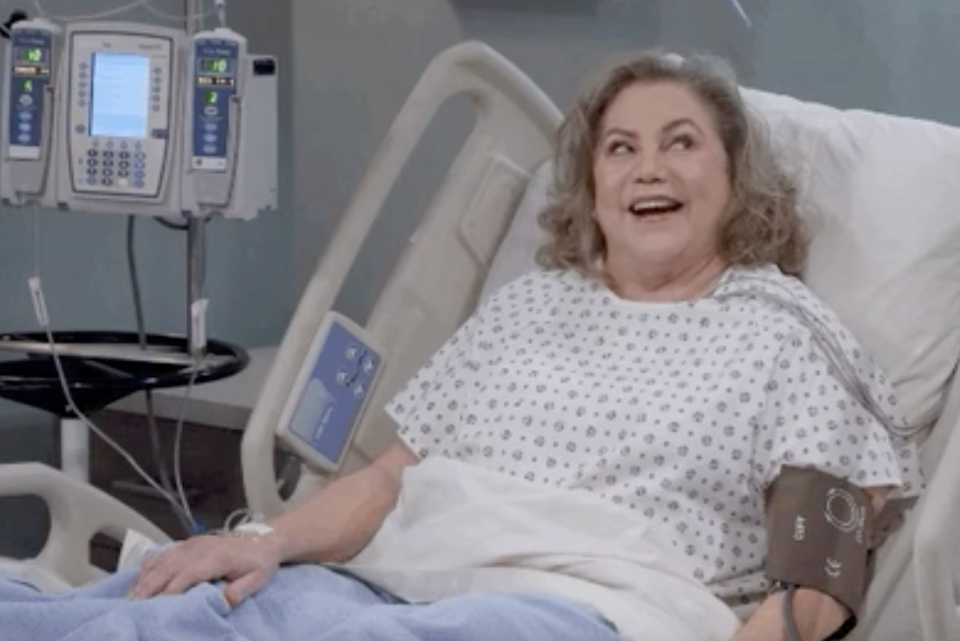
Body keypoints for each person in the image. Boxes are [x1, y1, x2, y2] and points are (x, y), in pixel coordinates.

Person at [129, 51, 923, 641]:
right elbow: (384, 481)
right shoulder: (529, 306)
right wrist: (260, 540)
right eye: (620, 148)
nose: (649, 168)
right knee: (154, 612)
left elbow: (811, 592)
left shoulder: (783, 333)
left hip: (582, 610)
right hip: (390, 582)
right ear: (592, 187)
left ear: (734, 177)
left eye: (681, 143)